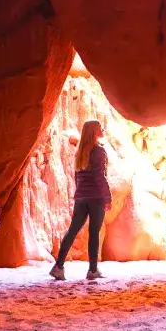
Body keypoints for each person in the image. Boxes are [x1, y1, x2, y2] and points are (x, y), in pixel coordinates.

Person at [50, 119, 112, 280]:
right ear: (94, 132)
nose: (102, 129)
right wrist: (107, 197)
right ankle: (92, 270)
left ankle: (58, 266)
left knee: (72, 231)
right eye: (100, 128)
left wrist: (80, 193)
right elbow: (100, 177)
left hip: (81, 197)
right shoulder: (98, 151)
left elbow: (77, 177)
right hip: (96, 197)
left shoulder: (80, 152)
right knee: (94, 233)